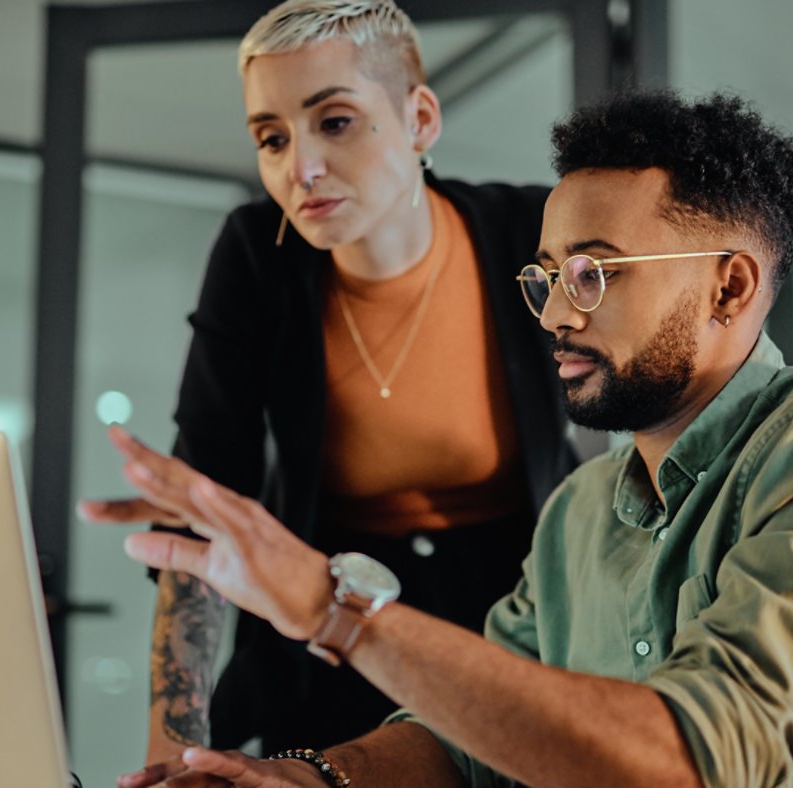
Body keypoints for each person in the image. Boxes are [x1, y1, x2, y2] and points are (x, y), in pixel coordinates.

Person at [105, 89, 793, 787]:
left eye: (594, 273)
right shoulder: (578, 512)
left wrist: (335, 610)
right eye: (544, 277)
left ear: (729, 289)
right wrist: (310, 779)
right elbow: (466, 749)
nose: (558, 313)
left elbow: (697, 762)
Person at [77, 0, 577, 765]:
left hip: (515, 623)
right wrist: (172, 755)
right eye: (271, 138)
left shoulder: (531, 234)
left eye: (334, 121)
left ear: (420, 119)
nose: (298, 168)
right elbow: (204, 513)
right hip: (328, 630)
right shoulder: (257, 256)